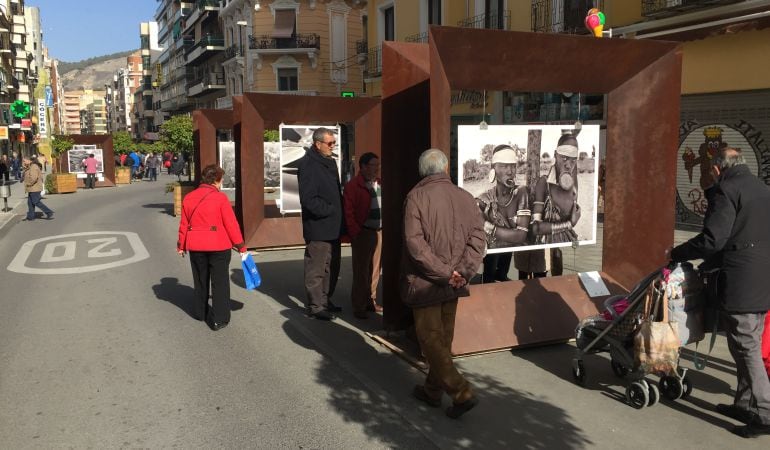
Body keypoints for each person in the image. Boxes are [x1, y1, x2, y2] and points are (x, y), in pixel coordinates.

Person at [670, 147, 770, 438]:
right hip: (763, 278)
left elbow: (713, 240)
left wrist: (677, 253)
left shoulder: (725, 190)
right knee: (745, 344)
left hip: (742, 280)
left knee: (747, 347)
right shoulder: (762, 188)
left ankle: (764, 413)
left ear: (716, 169)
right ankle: (743, 403)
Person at [402, 149, 486, 419]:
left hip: (428, 281)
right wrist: (461, 272)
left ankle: (461, 392)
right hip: (453, 282)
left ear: (421, 170)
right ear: (446, 167)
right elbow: (478, 240)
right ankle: (432, 390)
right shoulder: (464, 196)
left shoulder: (416, 197)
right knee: (443, 339)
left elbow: (415, 245)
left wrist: (443, 273)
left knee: (430, 341)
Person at [177, 165, 246, 331]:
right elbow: (231, 224)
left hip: (196, 245)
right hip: (218, 246)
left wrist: (181, 245)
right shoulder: (220, 198)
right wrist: (241, 246)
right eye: (221, 179)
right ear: (216, 180)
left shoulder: (189, 197)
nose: (221, 183)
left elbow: (184, 224)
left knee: (200, 280)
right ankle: (219, 319)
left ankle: (200, 312)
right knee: (219, 282)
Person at [297, 127, 344, 321]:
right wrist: (331, 210)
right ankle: (316, 306)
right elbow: (308, 200)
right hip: (319, 227)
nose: (333, 146)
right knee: (317, 268)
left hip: (334, 226)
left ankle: (325, 300)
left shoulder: (329, 161)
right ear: (318, 144)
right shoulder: (308, 164)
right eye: (330, 143)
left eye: (334, 143)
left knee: (332, 267)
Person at [476, 144, 530, 282]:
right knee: (488, 278)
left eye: (512, 166)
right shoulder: (486, 198)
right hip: (491, 257)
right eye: (504, 166)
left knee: (501, 276)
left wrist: (487, 225)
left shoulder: (521, 193)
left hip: (506, 255)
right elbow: (472, 210)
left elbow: (520, 235)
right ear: (493, 169)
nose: (510, 171)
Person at [343, 152, 383, 319]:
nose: (377, 169)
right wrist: (355, 233)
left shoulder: (380, 183)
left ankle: (370, 301)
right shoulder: (353, 186)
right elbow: (348, 212)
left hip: (379, 231)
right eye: (374, 165)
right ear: (364, 166)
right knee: (361, 271)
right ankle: (359, 305)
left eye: (378, 165)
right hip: (363, 232)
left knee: (375, 270)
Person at [531, 130, 581, 244]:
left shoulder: (573, 186)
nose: (568, 165)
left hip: (568, 240)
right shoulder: (544, 184)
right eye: (564, 158)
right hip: (546, 244)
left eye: (573, 160)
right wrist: (570, 224)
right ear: (555, 154)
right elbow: (536, 228)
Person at [23, 156, 54, 221]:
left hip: (34, 188)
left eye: (24, 161)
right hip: (32, 188)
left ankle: (49, 212)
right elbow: (27, 174)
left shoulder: (33, 167)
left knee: (36, 202)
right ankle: (30, 217)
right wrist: (25, 168)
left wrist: (28, 184)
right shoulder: (30, 166)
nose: (23, 162)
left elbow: (33, 178)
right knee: (30, 203)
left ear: (29, 160)